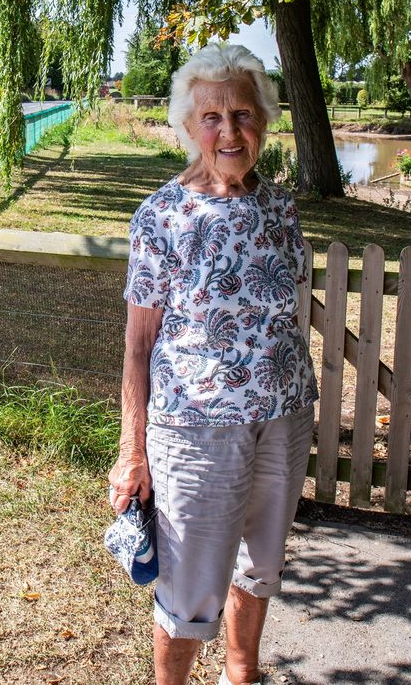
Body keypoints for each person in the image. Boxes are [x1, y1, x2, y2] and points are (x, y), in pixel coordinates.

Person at [108, 43, 318, 685]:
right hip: (195, 429)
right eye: (213, 117)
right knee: (190, 587)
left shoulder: (280, 210)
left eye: (244, 114)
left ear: (264, 121)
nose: (230, 131)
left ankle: (240, 674)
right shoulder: (163, 215)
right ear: (188, 127)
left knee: (261, 566)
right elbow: (138, 347)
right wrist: (132, 451)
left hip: (283, 419)